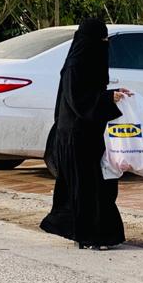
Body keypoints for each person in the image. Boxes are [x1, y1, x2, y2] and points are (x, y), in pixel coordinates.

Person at [40, 19, 131, 250]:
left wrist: (112, 94)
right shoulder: (75, 66)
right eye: (102, 40)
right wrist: (107, 98)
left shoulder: (83, 62)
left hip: (86, 135)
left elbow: (90, 93)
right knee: (88, 187)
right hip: (76, 137)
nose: (105, 44)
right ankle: (90, 236)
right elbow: (79, 101)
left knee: (97, 186)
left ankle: (94, 235)